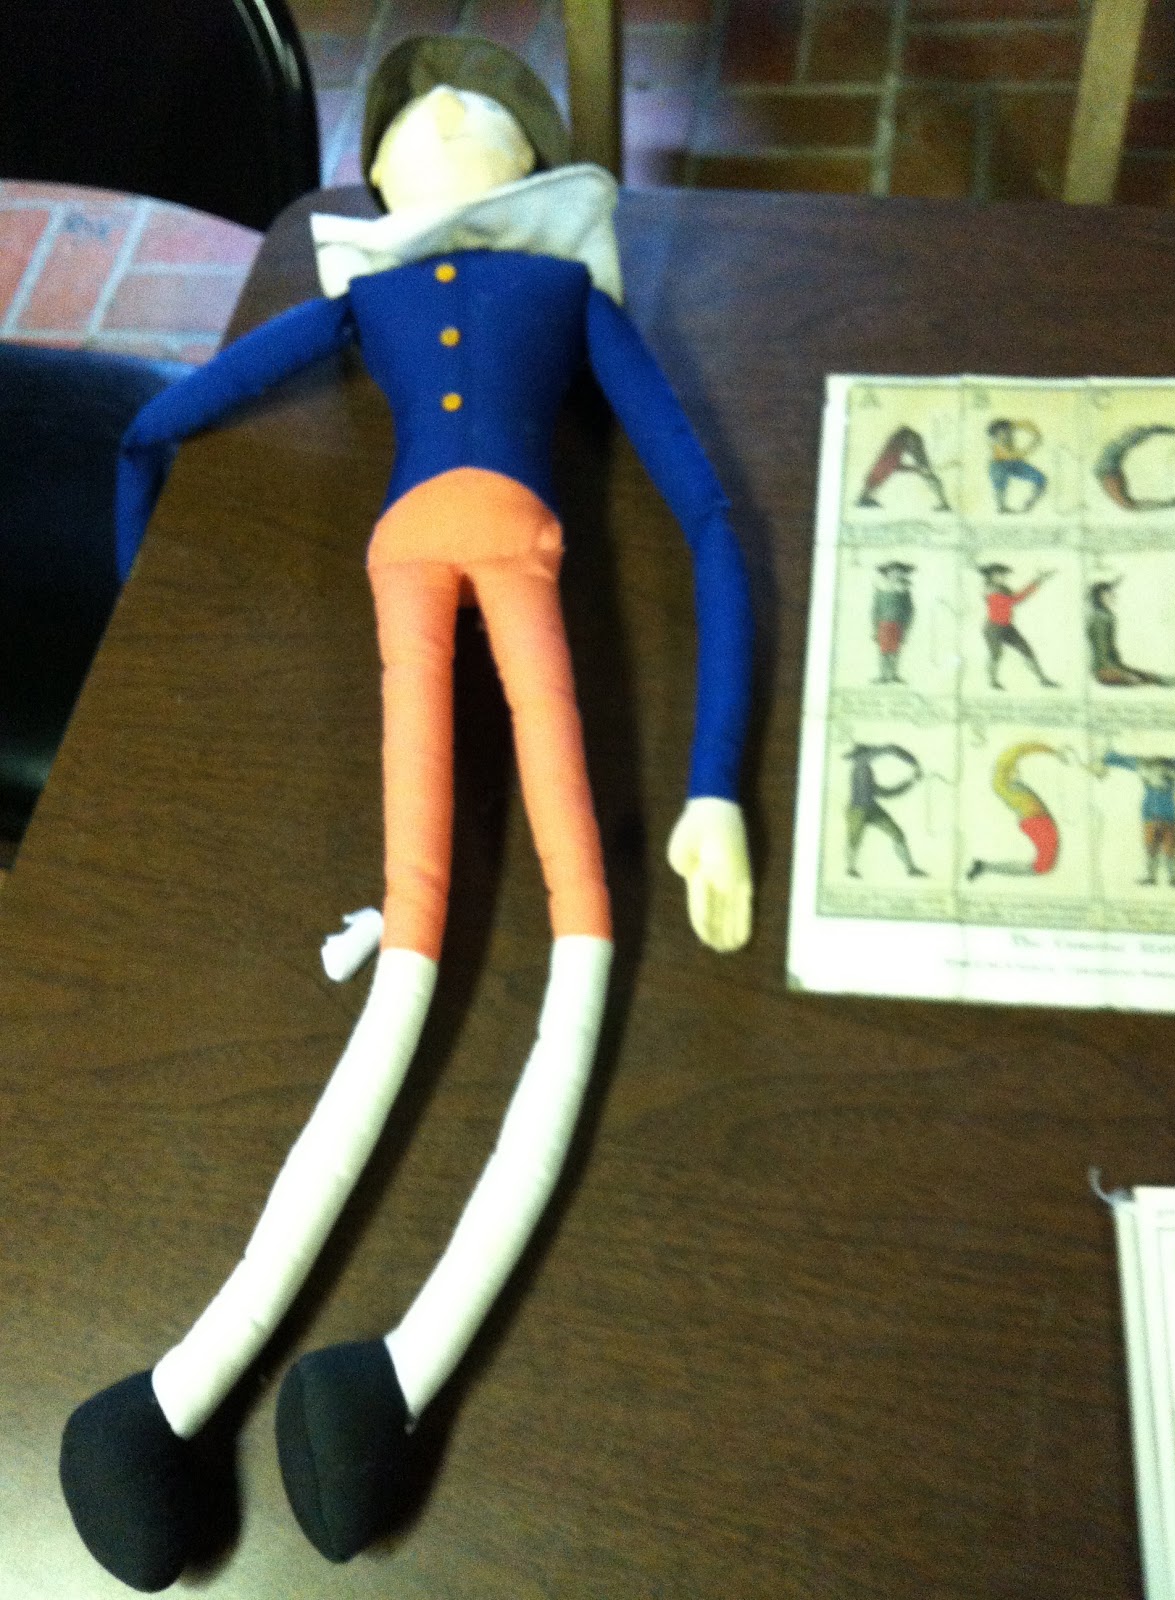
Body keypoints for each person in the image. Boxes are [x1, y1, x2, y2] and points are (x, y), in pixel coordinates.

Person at [59, 36, 755, 1589]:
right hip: (402, 571)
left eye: (482, 107)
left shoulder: (568, 295)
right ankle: (180, 1390)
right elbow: (155, 426)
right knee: (414, 937)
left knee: (581, 922)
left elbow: (706, 509)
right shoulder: (359, 298)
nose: (441, 115)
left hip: (515, 554)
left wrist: (711, 784)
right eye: (411, 114)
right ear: (367, 177)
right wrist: (134, 628)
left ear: (537, 162)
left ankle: (405, 1366)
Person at [966, 741, 1060, 881]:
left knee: (1043, 864)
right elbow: (1023, 748)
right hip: (1036, 821)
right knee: (1043, 865)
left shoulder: (1006, 784)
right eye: (1014, 770)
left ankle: (986, 867)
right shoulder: (1005, 782)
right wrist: (1052, 750)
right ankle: (985, 867)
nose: (1017, 772)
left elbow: (1022, 750)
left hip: (1035, 821)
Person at [1103, 751, 1175, 886]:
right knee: (1152, 847)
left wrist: (1108, 757)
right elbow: (1120, 760)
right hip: (1153, 816)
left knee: (1169, 847)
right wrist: (1108, 757)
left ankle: (1171, 878)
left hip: (1166, 816)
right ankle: (1153, 877)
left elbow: (1120, 760)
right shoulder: (1147, 764)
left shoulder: (1174, 764)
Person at [844, 743, 928, 878]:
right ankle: (850, 869)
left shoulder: (866, 771)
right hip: (857, 811)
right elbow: (891, 749)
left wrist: (911, 782)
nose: (868, 757)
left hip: (872, 808)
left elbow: (886, 793)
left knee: (898, 835)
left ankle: (911, 869)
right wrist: (913, 763)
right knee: (854, 840)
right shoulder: (860, 765)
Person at [977, 563, 1058, 689]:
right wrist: (1037, 581)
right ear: (991, 576)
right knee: (996, 655)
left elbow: (1017, 598)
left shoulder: (1003, 589)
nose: (1002, 577)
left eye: (1003, 575)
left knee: (1027, 651)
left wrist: (1038, 581)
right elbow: (1015, 600)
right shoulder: (990, 590)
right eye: (998, 575)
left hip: (1007, 626)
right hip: (993, 628)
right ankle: (992, 681)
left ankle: (1043, 679)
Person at [1094, 424, 1175, 512]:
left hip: (1107, 470)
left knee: (1129, 505)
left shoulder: (1113, 452)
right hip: (1107, 470)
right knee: (1129, 505)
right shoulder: (1114, 452)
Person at [856, 425, 950, 512]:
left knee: (926, 470)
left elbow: (895, 465)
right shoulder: (877, 474)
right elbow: (896, 466)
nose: (874, 493)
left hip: (908, 438)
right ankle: (944, 502)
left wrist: (919, 469)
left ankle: (944, 503)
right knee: (925, 470)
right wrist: (918, 469)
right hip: (905, 438)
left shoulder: (879, 473)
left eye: (869, 495)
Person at [986, 418, 1046, 513]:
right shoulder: (996, 444)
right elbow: (1016, 455)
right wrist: (1034, 444)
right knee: (998, 475)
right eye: (1000, 434)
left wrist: (1036, 433)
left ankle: (1030, 504)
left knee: (1041, 478)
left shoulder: (1008, 427)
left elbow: (1027, 423)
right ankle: (1002, 507)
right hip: (999, 465)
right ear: (995, 435)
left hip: (1015, 463)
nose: (1005, 435)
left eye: (1006, 432)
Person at [871, 560, 914, 683]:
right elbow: (875, 610)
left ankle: (894, 674)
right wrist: (874, 628)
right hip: (883, 625)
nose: (895, 575)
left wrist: (906, 627)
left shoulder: (904, 591)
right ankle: (883, 676)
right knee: (884, 651)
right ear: (887, 574)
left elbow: (909, 610)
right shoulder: (880, 590)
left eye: (898, 573)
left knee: (895, 651)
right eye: (892, 572)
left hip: (898, 625)